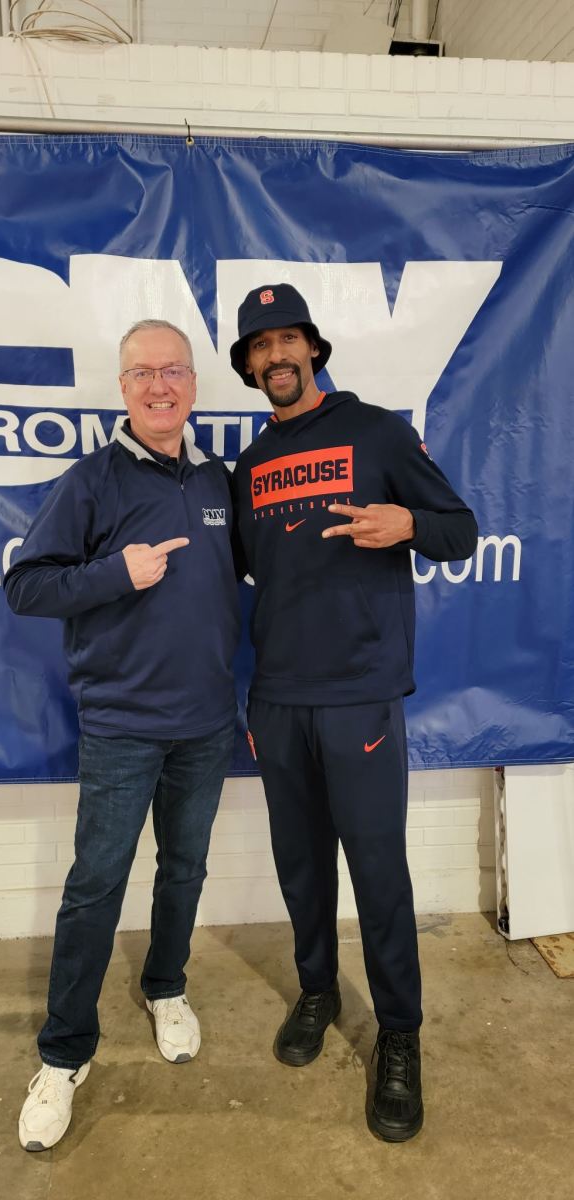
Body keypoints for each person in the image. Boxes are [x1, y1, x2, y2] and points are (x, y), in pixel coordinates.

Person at [230, 283, 478, 1143]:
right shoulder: (250, 468)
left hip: (361, 697)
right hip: (278, 698)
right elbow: (229, 579)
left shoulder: (375, 432)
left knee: (378, 876)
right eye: (260, 347)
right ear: (249, 366)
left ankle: (400, 1035)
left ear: (314, 347)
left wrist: (408, 520)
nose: (276, 357)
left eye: (288, 339)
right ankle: (317, 991)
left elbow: (462, 529)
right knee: (300, 869)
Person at [4, 319, 240, 1152]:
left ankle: (166, 986)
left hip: (208, 724)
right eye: (141, 374)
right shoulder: (93, 481)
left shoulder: (220, 479)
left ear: (194, 385)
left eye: (173, 370)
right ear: (122, 388)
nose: (159, 386)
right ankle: (64, 1055)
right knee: (96, 886)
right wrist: (116, 572)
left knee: (186, 868)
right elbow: (25, 587)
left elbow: (269, 561)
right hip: (121, 729)